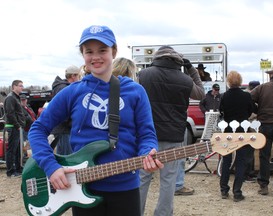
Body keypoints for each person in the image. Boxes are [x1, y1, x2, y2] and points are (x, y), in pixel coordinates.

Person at [28, 25, 163, 216]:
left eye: (102, 50)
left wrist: (147, 152)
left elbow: (147, 133)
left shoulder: (135, 91)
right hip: (82, 189)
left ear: (114, 51)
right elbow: (37, 129)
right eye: (89, 51)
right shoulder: (72, 92)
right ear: (82, 54)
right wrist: (51, 167)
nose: (95, 57)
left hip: (125, 188)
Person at [138, 46, 202, 215]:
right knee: (169, 179)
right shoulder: (185, 80)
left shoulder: (144, 75)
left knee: (143, 177)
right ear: (178, 61)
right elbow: (201, 94)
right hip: (174, 136)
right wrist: (191, 70)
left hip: (147, 136)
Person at [250, 65, 273, 196]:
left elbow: (249, 100)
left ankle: (263, 186)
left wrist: (258, 111)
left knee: (264, 156)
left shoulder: (261, 88)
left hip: (264, 125)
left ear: (270, 75)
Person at [219, 71, 256, 202]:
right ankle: (237, 192)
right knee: (241, 161)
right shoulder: (246, 96)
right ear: (240, 81)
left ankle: (224, 190)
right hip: (242, 131)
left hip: (227, 132)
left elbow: (221, 111)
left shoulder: (224, 96)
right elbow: (251, 110)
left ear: (228, 82)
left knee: (226, 161)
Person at [175, 58, 205, 196]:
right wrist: (191, 69)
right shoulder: (182, 79)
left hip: (154, 123)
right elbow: (200, 93)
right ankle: (177, 185)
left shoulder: (147, 75)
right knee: (179, 156)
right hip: (176, 124)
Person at [51, 65, 81, 155]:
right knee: (67, 159)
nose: (80, 79)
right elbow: (63, 112)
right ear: (73, 76)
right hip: (64, 129)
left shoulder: (62, 87)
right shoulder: (64, 89)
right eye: (79, 76)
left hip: (64, 129)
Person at [3, 80, 26, 177]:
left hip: (17, 127)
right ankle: (10, 171)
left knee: (18, 150)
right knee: (12, 150)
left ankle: (18, 168)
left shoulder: (16, 98)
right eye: (20, 86)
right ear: (14, 87)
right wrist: (17, 125)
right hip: (13, 127)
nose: (22, 87)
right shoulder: (10, 98)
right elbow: (10, 114)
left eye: (22, 85)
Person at [244, 80, 260, 182]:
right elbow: (252, 112)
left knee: (246, 150)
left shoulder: (245, 94)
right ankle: (248, 173)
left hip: (245, 125)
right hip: (249, 125)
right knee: (249, 150)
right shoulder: (249, 96)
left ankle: (248, 172)